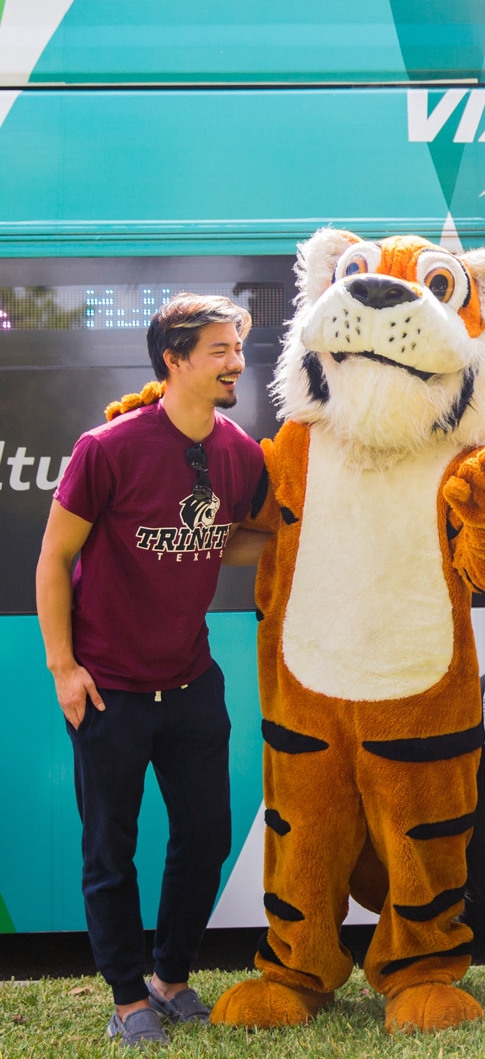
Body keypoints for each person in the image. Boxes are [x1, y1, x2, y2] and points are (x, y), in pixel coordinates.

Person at [36, 295, 265, 1048]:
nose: (237, 361)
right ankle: (128, 997)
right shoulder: (107, 447)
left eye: (237, 347)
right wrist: (63, 666)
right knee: (112, 848)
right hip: (110, 688)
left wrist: (277, 541)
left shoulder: (238, 451)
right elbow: (55, 558)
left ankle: (171, 979)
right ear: (174, 358)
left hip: (192, 684)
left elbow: (223, 541)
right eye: (221, 350)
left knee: (205, 837)